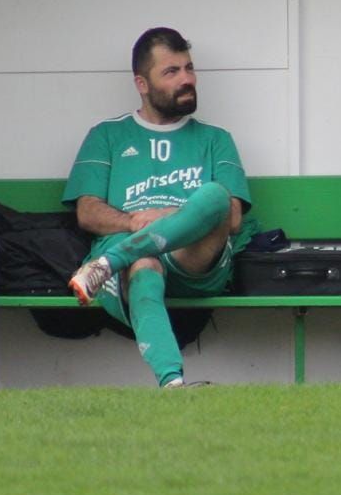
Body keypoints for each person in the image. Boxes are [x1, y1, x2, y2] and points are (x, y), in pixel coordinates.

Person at [65, 27, 253, 388]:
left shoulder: (216, 139)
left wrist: (169, 217)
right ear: (142, 83)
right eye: (172, 72)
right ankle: (172, 383)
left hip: (193, 258)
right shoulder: (107, 135)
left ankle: (105, 266)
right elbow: (87, 212)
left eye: (189, 68)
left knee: (214, 195)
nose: (187, 79)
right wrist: (134, 220)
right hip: (132, 258)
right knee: (145, 263)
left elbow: (230, 218)